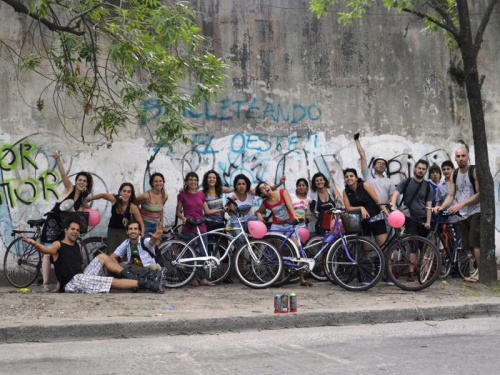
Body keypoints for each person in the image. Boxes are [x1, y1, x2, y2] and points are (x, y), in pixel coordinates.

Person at [22, 221, 163, 293]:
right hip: (74, 283)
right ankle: (147, 284)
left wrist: (58, 287)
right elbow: (47, 250)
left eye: (77, 230)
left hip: (81, 277)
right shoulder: (58, 245)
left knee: (101, 257)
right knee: (108, 281)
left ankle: (130, 277)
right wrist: (35, 243)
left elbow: (65, 268)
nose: (75, 232)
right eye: (72, 229)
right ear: (66, 230)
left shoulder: (78, 245)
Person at [40, 151, 94, 292]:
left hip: (64, 227)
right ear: (76, 181)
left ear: (86, 184)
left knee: (62, 254)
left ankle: (60, 284)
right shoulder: (69, 188)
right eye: (79, 180)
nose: (81, 182)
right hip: (52, 224)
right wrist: (58, 159)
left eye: (84, 181)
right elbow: (64, 176)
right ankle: (45, 284)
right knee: (47, 253)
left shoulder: (81, 199)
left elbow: (86, 212)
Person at [255, 182, 313, 286]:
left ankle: (302, 279)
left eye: (265, 186)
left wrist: (294, 217)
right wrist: (259, 215)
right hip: (277, 227)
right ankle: (281, 277)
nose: (265, 188)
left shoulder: (282, 192)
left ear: (269, 186)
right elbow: (258, 211)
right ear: (262, 194)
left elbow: (289, 205)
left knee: (296, 251)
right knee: (279, 252)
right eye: (262, 189)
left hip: (290, 224)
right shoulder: (265, 203)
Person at [438, 147, 480, 282]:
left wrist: (461, 205)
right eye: (458, 156)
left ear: (468, 157)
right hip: (463, 214)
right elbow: (451, 195)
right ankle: (478, 270)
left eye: (463, 156)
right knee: (468, 245)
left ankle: (481, 273)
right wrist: (441, 207)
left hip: (476, 211)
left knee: (475, 243)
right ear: (455, 158)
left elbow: (479, 194)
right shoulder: (455, 174)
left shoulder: (474, 171)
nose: (461, 158)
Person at [390, 159, 434, 282]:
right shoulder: (407, 181)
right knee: (413, 246)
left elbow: (429, 205)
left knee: (423, 247)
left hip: (423, 219)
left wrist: (428, 222)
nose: (421, 170)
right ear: (415, 169)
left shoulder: (428, 186)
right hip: (410, 218)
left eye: (423, 169)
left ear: (425, 171)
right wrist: (393, 205)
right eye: (419, 168)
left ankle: (420, 269)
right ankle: (411, 272)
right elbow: (396, 194)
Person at [176, 172, 216, 287]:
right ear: (186, 181)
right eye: (191, 180)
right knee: (190, 253)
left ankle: (204, 278)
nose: (193, 182)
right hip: (189, 226)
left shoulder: (201, 194)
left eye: (195, 180)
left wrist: (222, 210)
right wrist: (184, 219)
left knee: (204, 252)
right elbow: (178, 212)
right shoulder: (182, 195)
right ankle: (192, 278)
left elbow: (207, 211)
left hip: (201, 226)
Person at [84, 183, 145, 253]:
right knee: (111, 252)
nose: (126, 193)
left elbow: (141, 223)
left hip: (124, 232)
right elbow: (102, 195)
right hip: (112, 230)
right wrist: (89, 199)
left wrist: (141, 236)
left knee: (123, 253)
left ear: (131, 194)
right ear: (120, 192)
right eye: (124, 191)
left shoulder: (132, 207)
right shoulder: (114, 199)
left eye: (128, 192)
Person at [343, 168, 388, 247]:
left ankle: (386, 260)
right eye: (346, 177)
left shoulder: (364, 185)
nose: (349, 178)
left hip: (376, 217)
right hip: (362, 221)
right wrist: (361, 208)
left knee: (383, 246)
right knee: (366, 249)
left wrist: (387, 213)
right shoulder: (346, 191)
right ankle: (368, 260)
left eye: (351, 176)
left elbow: (377, 200)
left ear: (356, 178)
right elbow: (348, 208)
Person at [354, 133, 395, 204]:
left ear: (385, 167)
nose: (381, 165)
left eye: (383, 164)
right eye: (379, 163)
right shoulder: (368, 176)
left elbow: (392, 197)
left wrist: (386, 205)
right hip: (371, 210)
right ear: (373, 165)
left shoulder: (389, 181)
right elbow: (362, 155)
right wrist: (356, 140)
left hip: (384, 210)